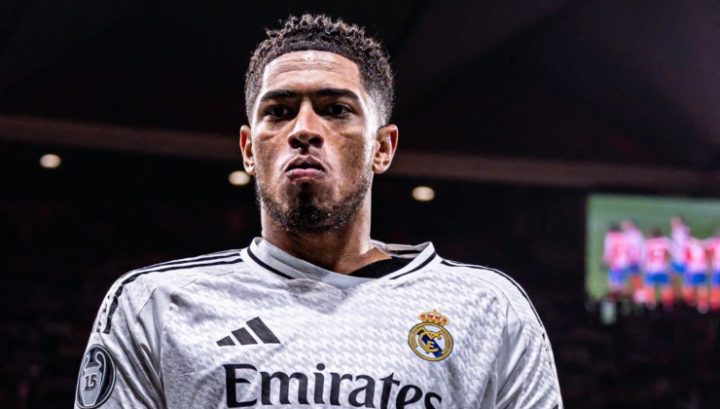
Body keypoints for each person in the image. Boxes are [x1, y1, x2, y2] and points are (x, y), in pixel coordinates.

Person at [75, 14, 562, 408]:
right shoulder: (155, 307)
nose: (304, 129)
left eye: (335, 109)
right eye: (279, 111)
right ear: (248, 149)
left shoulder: (487, 310)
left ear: (382, 148)